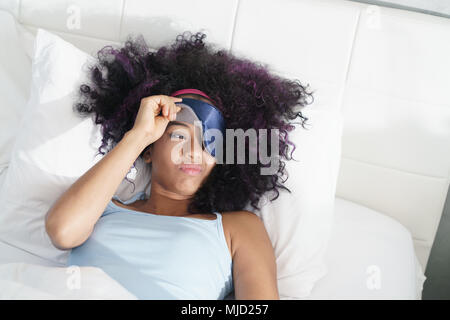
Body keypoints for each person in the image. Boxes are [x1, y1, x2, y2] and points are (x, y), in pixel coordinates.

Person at [45, 31, 314, 300]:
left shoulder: (239, 228)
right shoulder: (100, 208)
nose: (194, 152)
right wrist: (138, 137)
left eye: (210, 141)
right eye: (179, 136)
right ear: (149, 151)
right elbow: (62, 231)